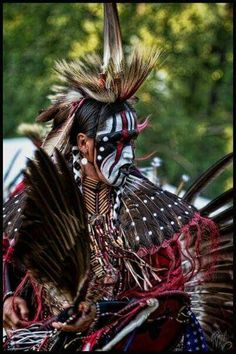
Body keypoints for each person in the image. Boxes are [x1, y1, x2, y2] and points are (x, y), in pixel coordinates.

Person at [3, 3, 232, 352]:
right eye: (114, 143)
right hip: (37, 338)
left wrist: (100, 313)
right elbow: (9, 255)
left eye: (131, 142)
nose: (126, 154)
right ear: (83, 143)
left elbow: (166, 302)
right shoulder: (42, 196)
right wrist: (7, 298)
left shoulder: (156, 217)